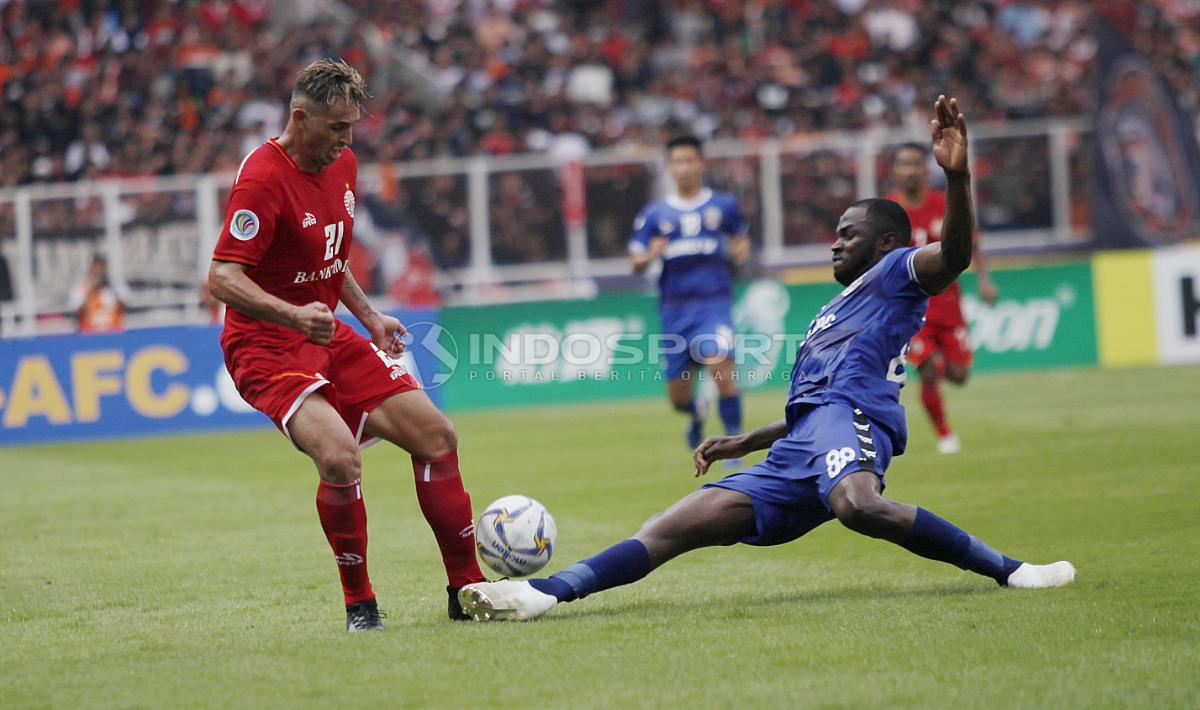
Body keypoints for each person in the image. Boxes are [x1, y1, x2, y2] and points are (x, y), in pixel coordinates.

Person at [456, 97, 1075, 622]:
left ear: (886, 241)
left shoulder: (896, 272)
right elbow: (809, 406)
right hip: (799, 445)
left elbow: (958, 254)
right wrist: (746, 439)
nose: (835, 242)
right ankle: (540, 593)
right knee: (673, 526)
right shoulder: (830, 315)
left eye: (847, 233)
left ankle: (1013, 571)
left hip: (851, 423)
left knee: (858, 505)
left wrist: (958, 179)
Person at [208, 59, 485, 632]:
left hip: (328, 331)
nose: (347, 140)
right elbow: (222, 278)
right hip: (266, 345)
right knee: (338, 457)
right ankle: (360, 603)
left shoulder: (346, 164)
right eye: (336, 128)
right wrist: (291, 313)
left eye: (352, 127)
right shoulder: (262, 177)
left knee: (436, 436)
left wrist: (369, 315)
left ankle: (468, 589)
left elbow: (329, 259)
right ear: (300, 118)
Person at [629, 135, 751, 457]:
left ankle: (734, 445)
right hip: (674, 311)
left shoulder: (722, 205)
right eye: (677, 162)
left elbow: (740, 237)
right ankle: (695, 410)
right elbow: (636, 263)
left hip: (714, 305)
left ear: (701, 163)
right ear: (669, 167)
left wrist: (741, 250)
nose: (683, 168)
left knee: (719, 365)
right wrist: (649, 255)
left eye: (689, 160)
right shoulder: (655, 214)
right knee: (677, 397)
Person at [888, 143, 1000, 454]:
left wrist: (985, 280)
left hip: (949, 305)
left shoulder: (944, 203)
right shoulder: (888, 212)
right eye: (903, 164)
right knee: (927, 370)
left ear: (926, 169)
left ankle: (938, 373)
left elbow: (971, 242)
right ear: (895, 172)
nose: (910, 170)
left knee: (959, 375)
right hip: (911, 308)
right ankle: (945, 434)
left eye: (915, 164)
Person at [70, 254, 126, 333]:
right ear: (91, 268)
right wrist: (91, 291)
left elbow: (124, 307)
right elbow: (77, 313)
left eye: (101, 267)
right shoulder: (81, 289)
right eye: (96, 267)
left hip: (113, 333)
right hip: (90, 335)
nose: (99, 271)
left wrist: (111, 289)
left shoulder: (116, 287)